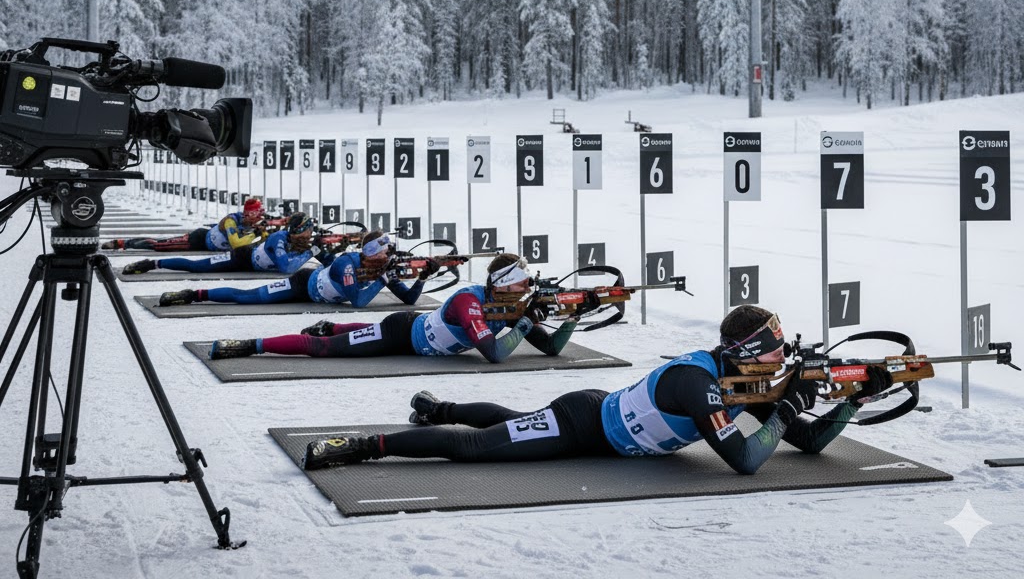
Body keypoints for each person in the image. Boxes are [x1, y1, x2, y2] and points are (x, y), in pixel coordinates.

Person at [301, 304, 894, 472]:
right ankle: (362, 446)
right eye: (770, 345)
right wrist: (785, 406)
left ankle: (440, 407)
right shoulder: (698, 381)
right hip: (584, 422)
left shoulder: (743, 379)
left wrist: (848, 400)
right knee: (477, 448)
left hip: (602, 435)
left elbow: (809, 443)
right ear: (741, 353)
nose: (779, 354)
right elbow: (743, 457)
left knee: (507, 418)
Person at [207, 252, 582, 362]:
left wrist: (574, 315)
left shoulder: (511, 305)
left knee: (338, 338)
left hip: (416, 336)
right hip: (400, 333)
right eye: (522, 281)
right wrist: (525, 323)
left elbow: (550, 348)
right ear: (501, 284)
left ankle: (333, 327)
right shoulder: (470, 301)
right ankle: (250, 345)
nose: (527, 287)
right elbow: (495, 353)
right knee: (323, 351)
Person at [157, 230, 427, 309]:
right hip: (301, 284)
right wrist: (382, 280)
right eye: (384, 250)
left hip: (315, 291)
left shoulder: (381, 266)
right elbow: (357, 301)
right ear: (371, 253)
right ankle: (196, 294)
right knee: (248, 297)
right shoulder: (347, 263)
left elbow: (409, 299)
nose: (389, 255)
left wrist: (423, 277)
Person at [122, 212, 320, 277]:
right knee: (197, 267)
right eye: (308, 229)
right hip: (241, 257)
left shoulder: (296, 239)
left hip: (250, 260)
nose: (310, 233)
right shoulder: (279, 239)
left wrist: (327, 250)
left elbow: (322, 256)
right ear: (298, 230)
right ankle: (152, 264)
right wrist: (311, 251)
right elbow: (286, 267)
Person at [101, 197, 266, 252]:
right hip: (198, 240)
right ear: (250, 214)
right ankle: (123, 243)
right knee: (159, 245)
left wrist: (264, 232)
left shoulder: (250, 223)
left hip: (206, 242)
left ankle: (124, 242)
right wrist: (256, 234)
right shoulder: (232, 220)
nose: (260, 218)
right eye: (257, 214)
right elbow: (236, 243)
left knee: (161, 242)